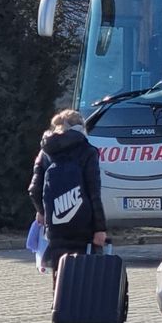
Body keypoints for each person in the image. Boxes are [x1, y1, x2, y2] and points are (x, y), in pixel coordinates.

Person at [28, 109, 107, 288]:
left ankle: (60, 308)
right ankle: (81, 309)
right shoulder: (87, 151)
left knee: (60, 271)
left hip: (55, 224)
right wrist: (100, 228)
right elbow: (94, 192)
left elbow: (33, 189)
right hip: (83, 224)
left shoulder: (45, 152)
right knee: (84, 272)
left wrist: (42, 211)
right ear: (81, 128)